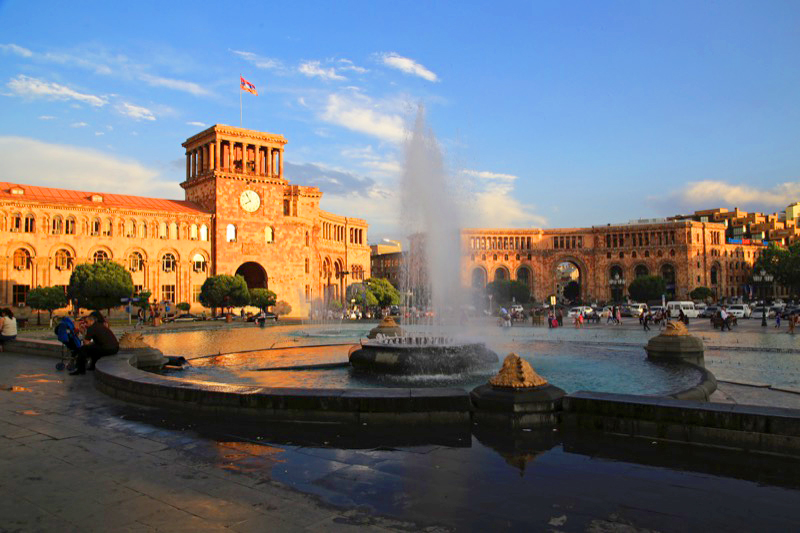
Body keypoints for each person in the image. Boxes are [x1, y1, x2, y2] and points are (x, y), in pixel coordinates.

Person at [70, 311, 119, 375]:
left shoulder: (91, 328)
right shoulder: (100, 325)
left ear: (91, 321)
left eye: (86, 322)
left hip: (107, 349)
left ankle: (80, 370)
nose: (85, 324)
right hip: (115, 348)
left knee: (83, 349)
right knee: (94, 349)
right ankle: (92, 366)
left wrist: (83, 333)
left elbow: (86, 343)